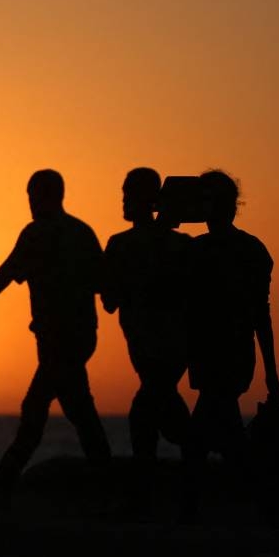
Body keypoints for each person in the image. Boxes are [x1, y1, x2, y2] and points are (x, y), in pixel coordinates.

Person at [0, 169, 110, 486]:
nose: (30, 203)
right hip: (79, 337)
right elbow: (104, 284)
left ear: (46, 196)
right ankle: (102, 472)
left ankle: (8, 474)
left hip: (60, 339)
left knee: (43, 406)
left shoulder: (37, 234)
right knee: (74, 405)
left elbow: (2, 278)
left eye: (33, 196)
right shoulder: (83, 233)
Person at [185, 170, 279, 466]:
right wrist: (271, 374)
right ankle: (260, 502)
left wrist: (272, 374)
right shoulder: (202, 249)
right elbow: (261, 317)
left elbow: (259, 315)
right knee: (224, 436)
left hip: (227, 360)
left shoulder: (213, 251)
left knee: (202, 440)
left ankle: (193, 508)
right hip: (220, 359)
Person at [101, 168, 191, 463]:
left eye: (128, 195)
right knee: (158, 415)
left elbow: (110, 301)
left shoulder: (121, 244)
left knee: (147, 419)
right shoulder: (182, 244)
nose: (124, 202)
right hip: (171, 349)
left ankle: (150, 496)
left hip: (155, 349)